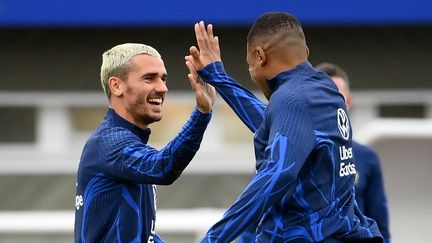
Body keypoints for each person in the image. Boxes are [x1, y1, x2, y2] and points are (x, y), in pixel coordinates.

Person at [185, 12, 383, 242]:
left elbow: (276, 174)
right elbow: (272, 127)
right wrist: (218, 77)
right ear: (305, 53)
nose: (252, 74)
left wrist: (213, 238)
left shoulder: (290, 99)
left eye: (250, 67)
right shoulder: (324, 88)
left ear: (260, 56)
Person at [74, 43, 215, 242]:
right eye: (149, 78)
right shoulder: (110, 141)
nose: (162, 88)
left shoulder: (128, 145)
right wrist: (201, 113)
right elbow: (163, 167)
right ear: (116, 86)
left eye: (163, 78)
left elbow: (142, 235)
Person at [316, 62, 390, 243]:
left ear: (348, 101)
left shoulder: (367, 158)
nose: (330, 103)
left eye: (337, 96)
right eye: (323, 95)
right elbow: (259, 216)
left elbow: (380, 225)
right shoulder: (286, 152)